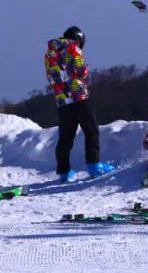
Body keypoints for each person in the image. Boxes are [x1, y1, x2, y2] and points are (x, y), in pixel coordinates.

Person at [45, 25, 114, 181]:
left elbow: (51, 75)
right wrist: (85, 70)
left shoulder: (49, 52)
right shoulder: (73, 48)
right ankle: (94, 165)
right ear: (78, 38)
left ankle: (64, 172)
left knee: (66, 136)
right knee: (91, 129)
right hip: (78, 96)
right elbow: (79, 70)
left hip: (62, 99)